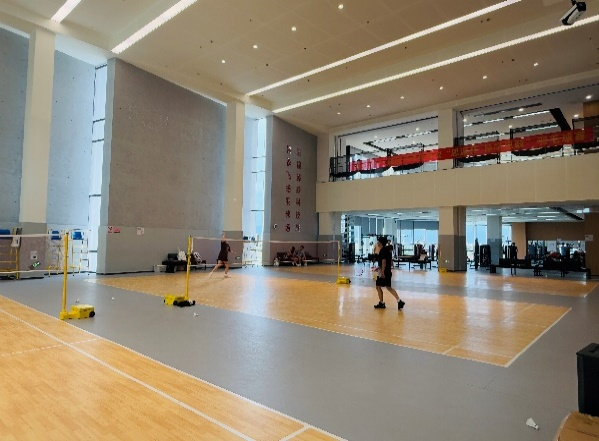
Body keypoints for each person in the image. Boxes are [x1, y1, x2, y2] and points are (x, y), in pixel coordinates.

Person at [373, 236, 405, 310]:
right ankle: (399, 301)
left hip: (384, 272)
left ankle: (382, 303)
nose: (377, 243)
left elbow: (384, 261)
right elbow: (386, 262)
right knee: (388, 287)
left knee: (378, 286)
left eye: (378, 242)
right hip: (387, 271)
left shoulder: (383, 251)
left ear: (380, 243)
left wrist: (382, 272)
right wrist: (379, 267)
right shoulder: (386, 250)